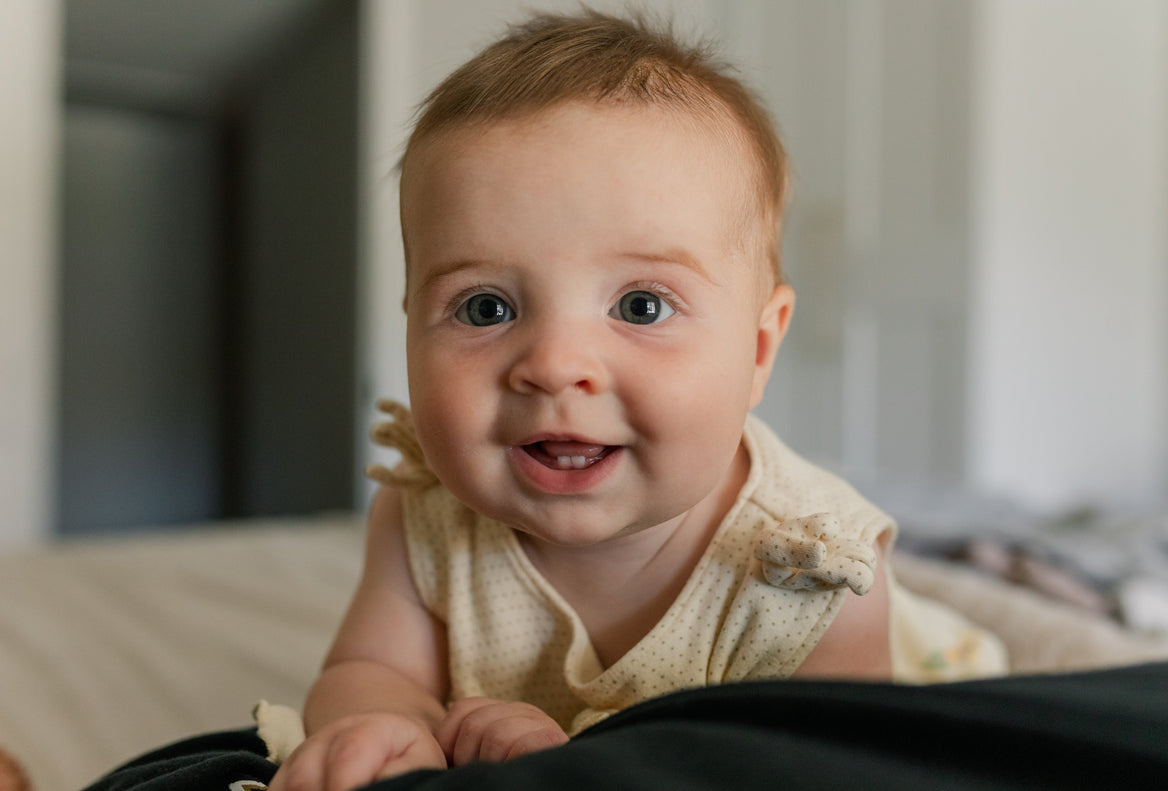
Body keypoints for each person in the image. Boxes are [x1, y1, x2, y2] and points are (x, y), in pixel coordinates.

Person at [269, 9, 1005, 791]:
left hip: (928, 677)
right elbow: (370, 667)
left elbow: (831, 764)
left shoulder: (808, 575)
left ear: (758, 349)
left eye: (641, 306)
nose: (554, 367)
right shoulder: (425, 511)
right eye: (485, 307)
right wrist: (392, 727)